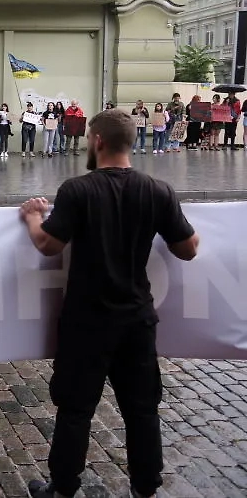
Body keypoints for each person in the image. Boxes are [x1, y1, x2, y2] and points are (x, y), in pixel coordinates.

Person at [20, 109, 199, 498]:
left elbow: (49, 245)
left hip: (87, 321)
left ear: (98, 140)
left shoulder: (77, 190)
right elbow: (187, 249)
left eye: (88, 137)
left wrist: (33, 217)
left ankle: (63, 487)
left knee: (75, 410)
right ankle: (145, 488)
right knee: (142, 410)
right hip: (136, 320)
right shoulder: (158, 191)